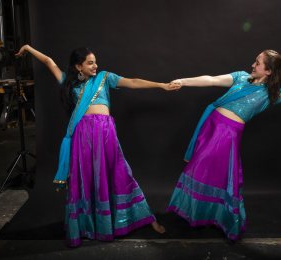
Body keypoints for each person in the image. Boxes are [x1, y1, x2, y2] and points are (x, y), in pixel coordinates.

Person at [166, 49, 281, 240]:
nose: (253, 65)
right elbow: (212, 79)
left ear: (269, 71)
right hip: (211, 126)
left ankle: (219, 217)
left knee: (213, 172)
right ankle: (196, 213)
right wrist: (183, 81)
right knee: (199, 170)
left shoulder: (272, 95)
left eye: (257, 63)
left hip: (227, 135)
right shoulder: (241, 78)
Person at [15, 44, 180, 247]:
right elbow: (49, 62)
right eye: (90, 63)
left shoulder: (104, 77)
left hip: (105, 132)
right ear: (78, 66)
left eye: (95, 62)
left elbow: (133, 82)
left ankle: (145, 218)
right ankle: (89, 226)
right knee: (86, 177)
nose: (95, 66)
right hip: (83, 135)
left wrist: (161, 85)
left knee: (119, 172)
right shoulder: (69, 83)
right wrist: (28, 48)